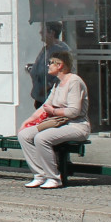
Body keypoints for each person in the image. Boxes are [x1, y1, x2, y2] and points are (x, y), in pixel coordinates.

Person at [17, 50, 90, 189]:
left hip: (76, 126)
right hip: (58, 124)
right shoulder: (58, 83)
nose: (48, 66)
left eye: (50, 63)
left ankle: (53, 178)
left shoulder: (74, 81)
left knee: (41, 138)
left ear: (60, 65)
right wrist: (28, 121)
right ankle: (39, 175)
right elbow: (45, 106)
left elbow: (74, 111)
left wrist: (54, 111)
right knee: (24, 134)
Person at [25, 22, 70, 108]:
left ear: (52, 32)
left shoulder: (61, 50)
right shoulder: (46, 49)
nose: (40, 32)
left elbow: (62, 74)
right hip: (40, 99)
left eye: (43, 30)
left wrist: (47, 88)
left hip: (52, 101)